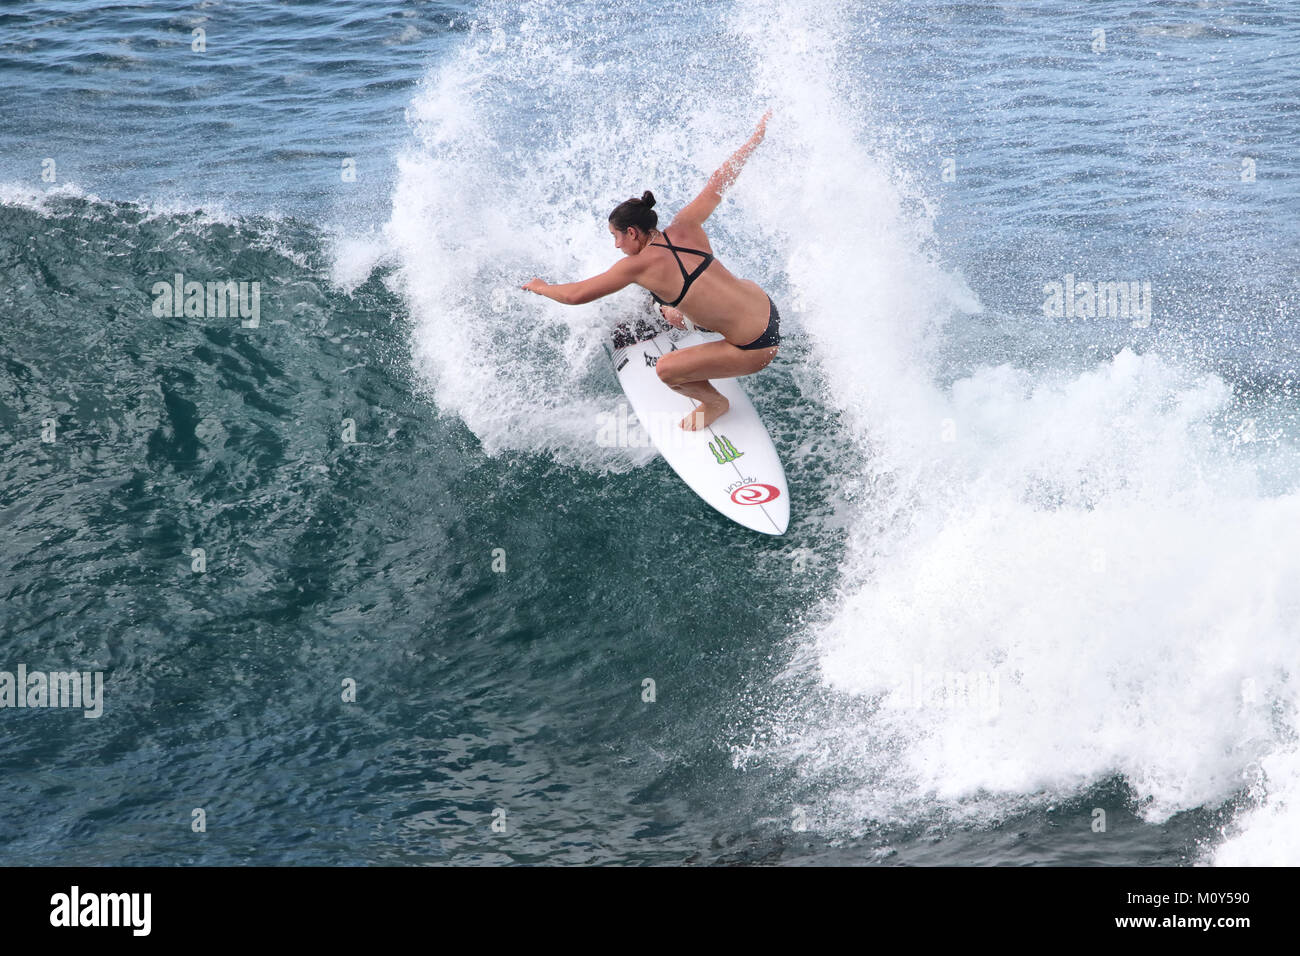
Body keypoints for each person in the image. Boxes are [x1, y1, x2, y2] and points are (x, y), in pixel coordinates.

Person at [522, 111, 780, 431]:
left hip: (757, 349)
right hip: (767, 308)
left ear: (632, 232)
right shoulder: (686, 224)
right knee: (677, 301)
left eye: (616, 237)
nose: (616, 246)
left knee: (666, 369)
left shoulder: (638, 266)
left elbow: (575, 295)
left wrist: (541, 286)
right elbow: (719, 180)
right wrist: (755, 139)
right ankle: (681, 316)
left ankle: (714, 402)